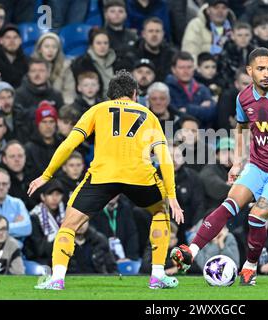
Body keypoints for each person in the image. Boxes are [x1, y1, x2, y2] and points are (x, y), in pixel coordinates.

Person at [171, 47, 268, 286]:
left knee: (256, 215)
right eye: (260, 69)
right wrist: (237, 163)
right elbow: (241, 130)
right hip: (258, 165)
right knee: (229, 203)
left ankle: (250, 266)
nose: (266, 73)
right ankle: (191, 251)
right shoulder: (243, 98)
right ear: (250, 71)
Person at [28, 70, 184, 290]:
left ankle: (57, 279)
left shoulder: (97, 110)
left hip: (103, 176)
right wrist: (172, 196)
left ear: (111, 95)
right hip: (139, 176)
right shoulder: (148, 115)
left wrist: (46, 175)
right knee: (160, 213)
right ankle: (157, 275)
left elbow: (69, 144)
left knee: (68, 225)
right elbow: (165, 157)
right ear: (134, 93)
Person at [166, 51, 217, 128]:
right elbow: (174, 114)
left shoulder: (202, 89)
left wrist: (188, 109)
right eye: (181, 68)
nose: (186, 71)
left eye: (189, 67)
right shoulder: (166, 89)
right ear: (173, 69)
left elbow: (212, 113)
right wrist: (200, 109)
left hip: (203, 135)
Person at [23, 180, 66, 267]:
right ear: (42, 197)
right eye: (50, 194)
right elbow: (39, 250)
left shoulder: (66, 213)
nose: (55, 198)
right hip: (39, 260)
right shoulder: (34, 217)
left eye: (58, 194)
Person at [0, 168, 32, 244]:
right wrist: (15, 226)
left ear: (9, 184)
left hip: (15, 252)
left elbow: (27, 228)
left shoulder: (17, 203)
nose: (1, 187)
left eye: (4, 184)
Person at [90, 195, 140, 261]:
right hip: (103, 259)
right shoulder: (95, 210)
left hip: (125, 259)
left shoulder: (125, 208)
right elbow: (94, 240)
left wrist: (129, 257)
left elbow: (132, 235)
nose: (112, 194)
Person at [32, 33, 76, 105]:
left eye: (54, 47)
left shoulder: (66, 67)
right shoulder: (31, 67)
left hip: (60, 106)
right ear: (40, 49)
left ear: (58, 50)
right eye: (47, 46)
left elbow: (69, 93)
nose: (50, 50)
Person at [132, 17, 177, 82]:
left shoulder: (172, 55)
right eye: (150, 31)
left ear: (163, 34)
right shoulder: (133, 54)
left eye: (157, 31)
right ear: (143, 34)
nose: (154, 34)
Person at [24, 103, 62, 180]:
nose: (48, 126)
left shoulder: (62, 146)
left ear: (56, 124)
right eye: (44, 122)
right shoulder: (29, 149)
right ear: (38, 124)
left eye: (51, 122)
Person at [0, 24, 28, 88]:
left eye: (15, 37)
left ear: (20, 41)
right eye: (8, 37)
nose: (12, 41)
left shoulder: (27, 61)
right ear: (1, 40)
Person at [217, 22, 255, 90]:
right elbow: (223, 76)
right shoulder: (225, 53)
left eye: (246, 35)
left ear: (251, 36)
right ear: (232, 36)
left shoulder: (255, 52)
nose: (243, 38)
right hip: (232, 88)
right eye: (239, 35)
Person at [0, 140, 34, 210]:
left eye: (20, 156)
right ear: (4, 159)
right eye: (12, 156)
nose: (17, 160)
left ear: (25, 157)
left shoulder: (34, 175)